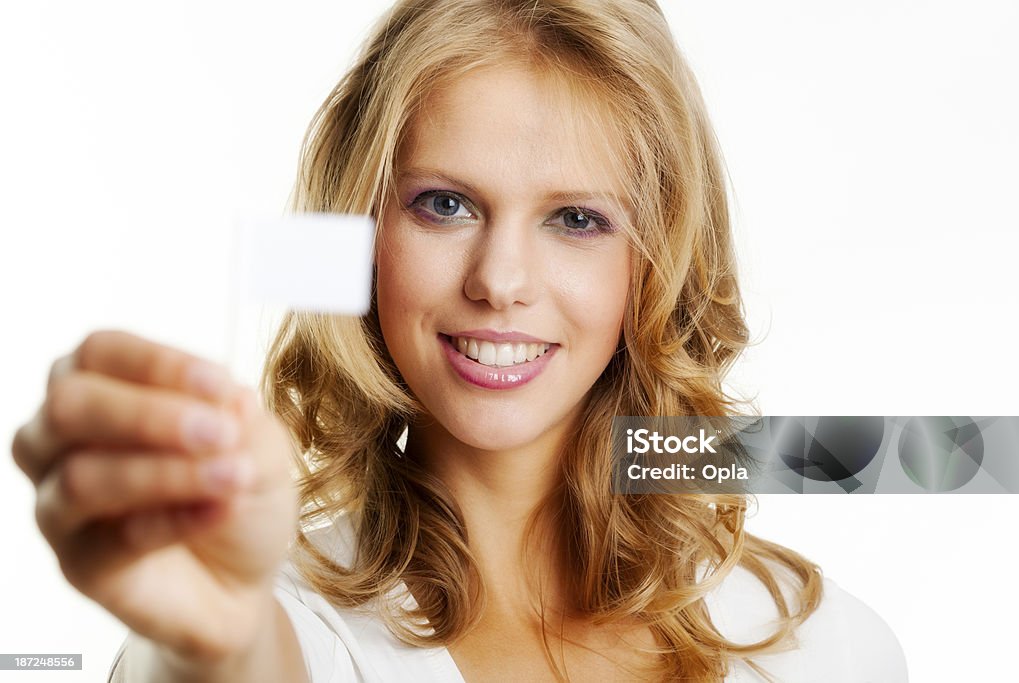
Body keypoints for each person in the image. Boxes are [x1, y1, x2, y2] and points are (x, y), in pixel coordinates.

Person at [11, 1, 909, 681]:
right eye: (444, 204)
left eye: (577, 218)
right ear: (362, 232)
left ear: (658, 261)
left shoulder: (819, 642)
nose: (500, 279)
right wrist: (225, 642)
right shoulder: (270, 614)